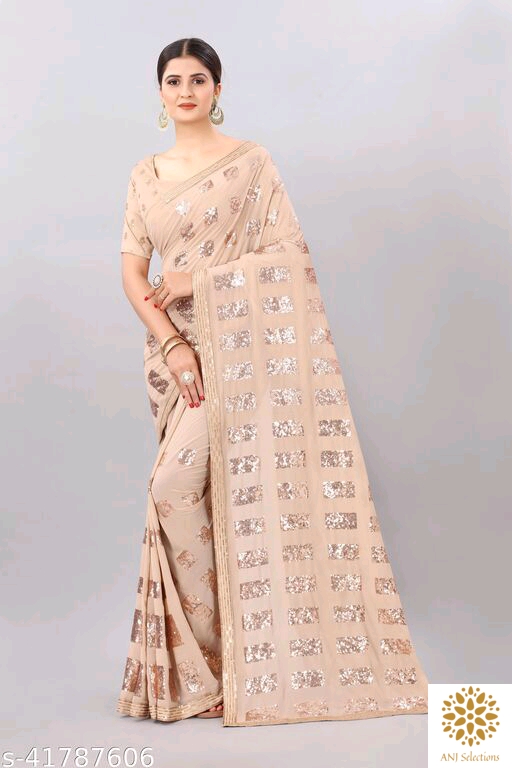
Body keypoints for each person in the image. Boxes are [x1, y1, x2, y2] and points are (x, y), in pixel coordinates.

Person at [116, 37, 429, 727]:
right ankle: (211, 671)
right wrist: (173, 344)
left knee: (176, 487)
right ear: (160, 93)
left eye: (199, 79)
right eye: (174, 80)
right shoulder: (145, 174)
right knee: (183, 492)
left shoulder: (251, 164)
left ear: (218, 88)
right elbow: (133, 272)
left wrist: (201, 279)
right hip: (178, 356)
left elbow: (289, 256)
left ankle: (235, 666)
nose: (186, 91)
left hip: (245, 348)